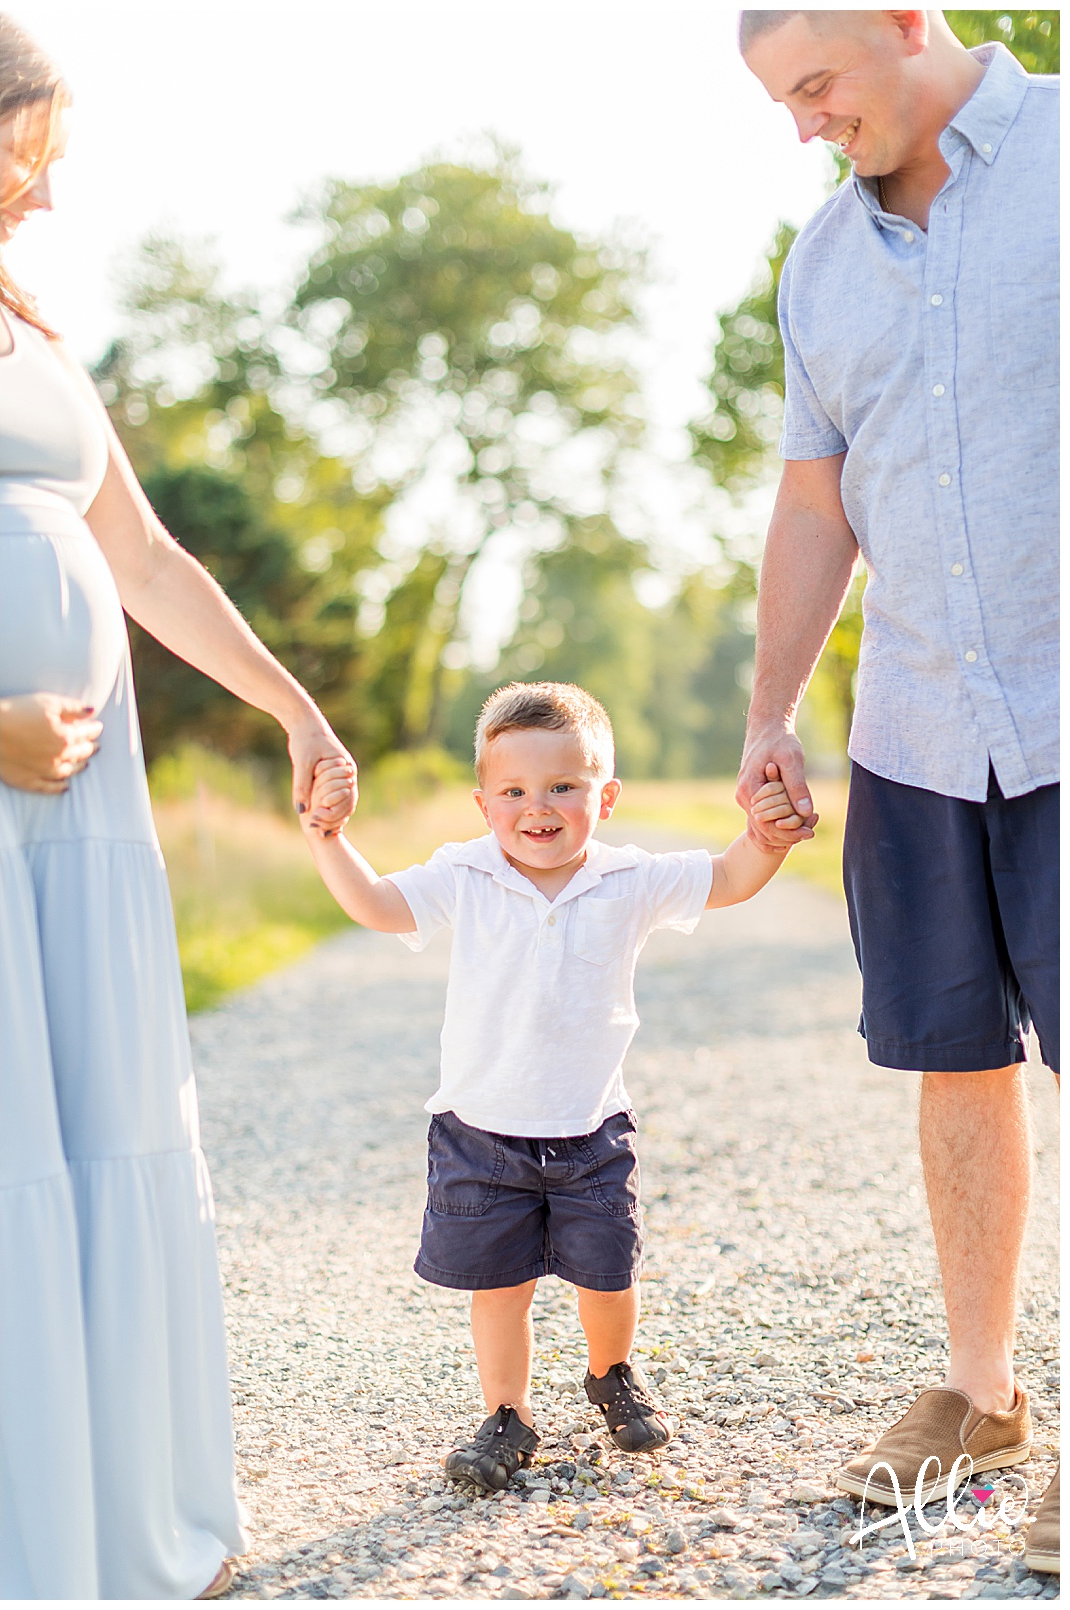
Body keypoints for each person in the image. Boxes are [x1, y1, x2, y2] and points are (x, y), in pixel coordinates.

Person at [0, 16, 355, 1599]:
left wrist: (291, 702)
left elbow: (141, 560)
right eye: (31, 154)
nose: (48, 199)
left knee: (112, 1132)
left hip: (82, 811)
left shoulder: (31, 324)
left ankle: (137, 1519)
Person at [735, 9, 1058, 1573]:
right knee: (954, 1058)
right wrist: (770, 715)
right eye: (780, 101)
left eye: (816, 85)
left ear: (908, 21)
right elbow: (815, 498)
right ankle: (986, 1399)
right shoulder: (819, 266)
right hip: (923, 727)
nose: (803, 124)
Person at [298, 680, 799, 1486]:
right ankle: (508, 1415)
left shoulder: (627, 879)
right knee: (499, 1287)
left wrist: (767, 837)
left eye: (564, 786)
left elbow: (731, 876)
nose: (540, 806)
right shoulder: (464, 874)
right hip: (480, 1133)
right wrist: (328, 838)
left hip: (591, 1129)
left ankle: (613, 1374)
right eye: (515, 790)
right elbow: (375, 903)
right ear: (483, 802)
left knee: (608, 1274)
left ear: (606, 796)